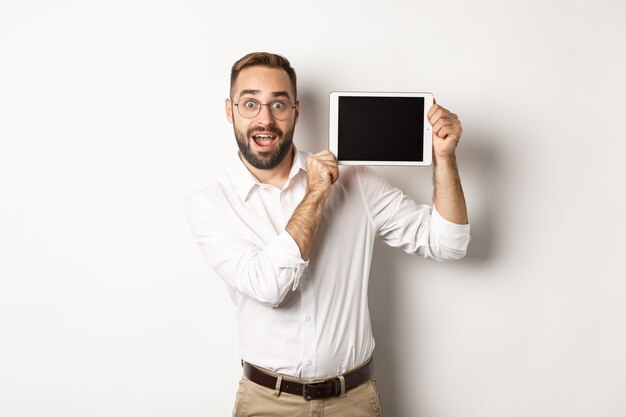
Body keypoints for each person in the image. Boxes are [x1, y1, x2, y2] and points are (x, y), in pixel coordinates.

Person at [185, 52, 470, 417]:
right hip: (267, 403)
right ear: (230, 110)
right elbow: (269, 287)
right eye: (250, 103)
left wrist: (445, 158)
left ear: (297, 111)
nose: (265, 119)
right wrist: (317, 194)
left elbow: (448, 243)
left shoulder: (357, 182)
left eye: (279, 104)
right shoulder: (210, 205)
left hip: (353, 401)